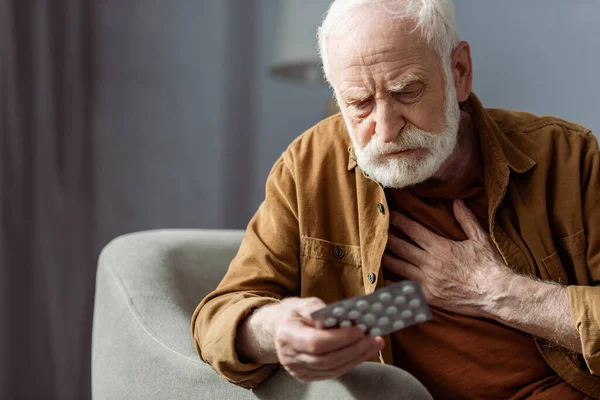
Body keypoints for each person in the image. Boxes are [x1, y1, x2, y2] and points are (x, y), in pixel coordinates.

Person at [192, 0, 600, 397]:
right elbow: (218, 319)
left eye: (406, 92)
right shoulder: (309, 167)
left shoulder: (568, 156)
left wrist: (498, 292)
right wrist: (276, 330)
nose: (386, 131)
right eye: (359, 103)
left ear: (459, 71)